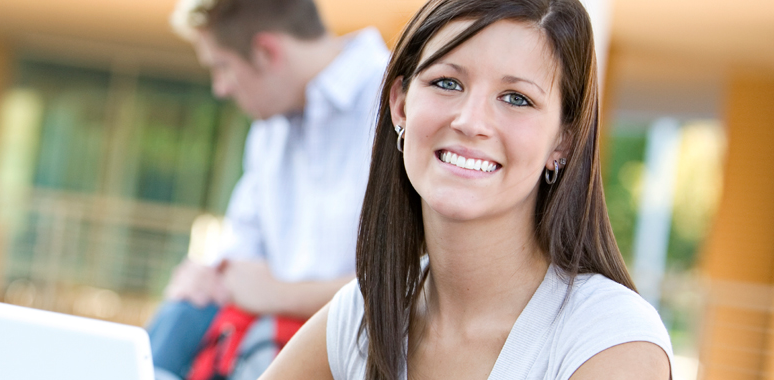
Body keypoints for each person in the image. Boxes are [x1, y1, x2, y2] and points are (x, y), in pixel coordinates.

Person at [260, 0, 673, 379]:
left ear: (562, 141)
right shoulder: (360, 317)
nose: (470, 121)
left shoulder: (610, 338)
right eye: (447, 83)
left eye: (516, 98)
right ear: (401, 104)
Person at [148, 0, 391, 378]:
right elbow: (240, 258)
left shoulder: (396, 106)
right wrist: (208, 276)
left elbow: (413, 285)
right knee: (180, 316)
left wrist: (278, 295)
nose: (220, 88)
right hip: (264, 345)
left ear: (266, 51)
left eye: (222, 66)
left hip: (350, 354)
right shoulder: (269, 129)